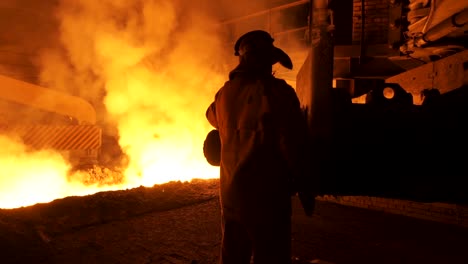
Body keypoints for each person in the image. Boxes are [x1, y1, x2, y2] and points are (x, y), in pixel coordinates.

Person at [205, 30, 315, 264]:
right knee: (271, 255)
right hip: (267, 196)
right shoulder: (279, 92)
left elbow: (212, 117)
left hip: (231, 194)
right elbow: (291, 143)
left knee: (233, 255)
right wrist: (305, 186)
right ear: (263, 61)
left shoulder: (223, 94)